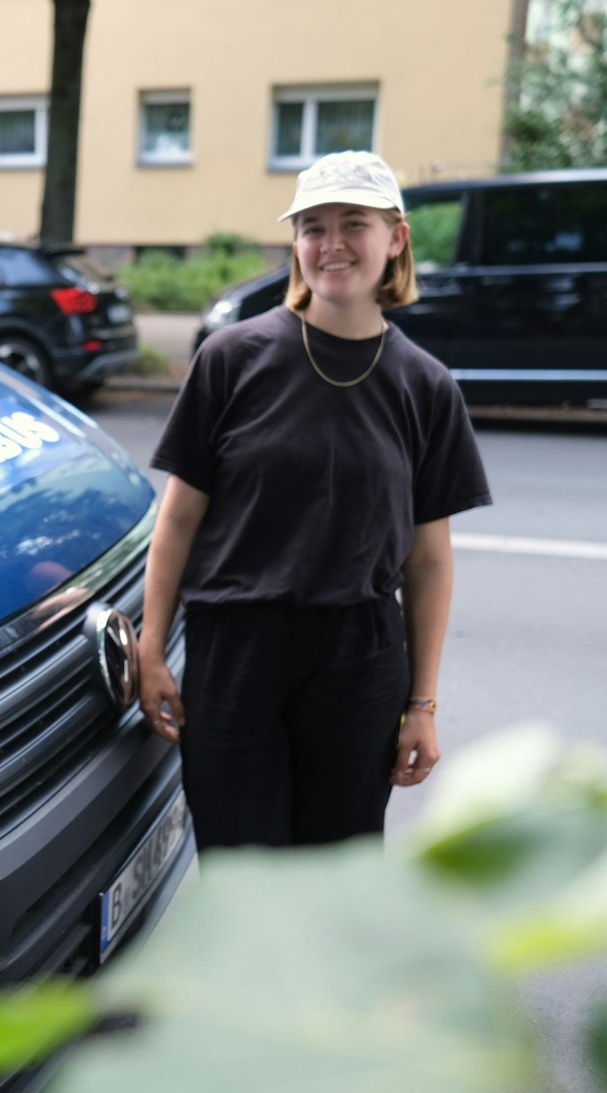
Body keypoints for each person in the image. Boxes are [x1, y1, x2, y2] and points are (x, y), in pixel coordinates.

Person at [136, 151, 491, 850]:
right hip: (235, 650)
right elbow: (178, 517)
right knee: (241, 870)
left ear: (395, 239)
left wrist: (422, 703)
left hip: (358, 660)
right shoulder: (232, 359)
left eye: (353, 223)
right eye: (313, 226)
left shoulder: (426, 385)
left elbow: (427, 561)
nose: (332, 244)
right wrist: (152, 645)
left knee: (336, 872)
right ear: (295, 245)